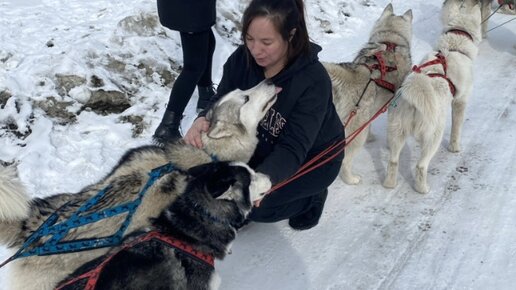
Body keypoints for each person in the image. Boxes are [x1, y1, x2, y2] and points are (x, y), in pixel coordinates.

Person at [184, 0, 345, 231]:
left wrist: (259, 182)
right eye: (249, 39)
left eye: (266, 42)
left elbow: (292, 148)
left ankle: (312, 199)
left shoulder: (313, 81)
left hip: (313, 158)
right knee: (218, 183)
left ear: (290, 35)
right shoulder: (243, 59)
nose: (255, 49)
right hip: (262, 144)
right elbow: (221, 99)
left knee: (259, 208)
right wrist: (203, 118)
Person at [154, 0, 217, 143]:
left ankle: (205, 95)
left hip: (193, 7)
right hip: (188, 7)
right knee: (194, 66)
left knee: (207, 42)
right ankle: (167, 127)